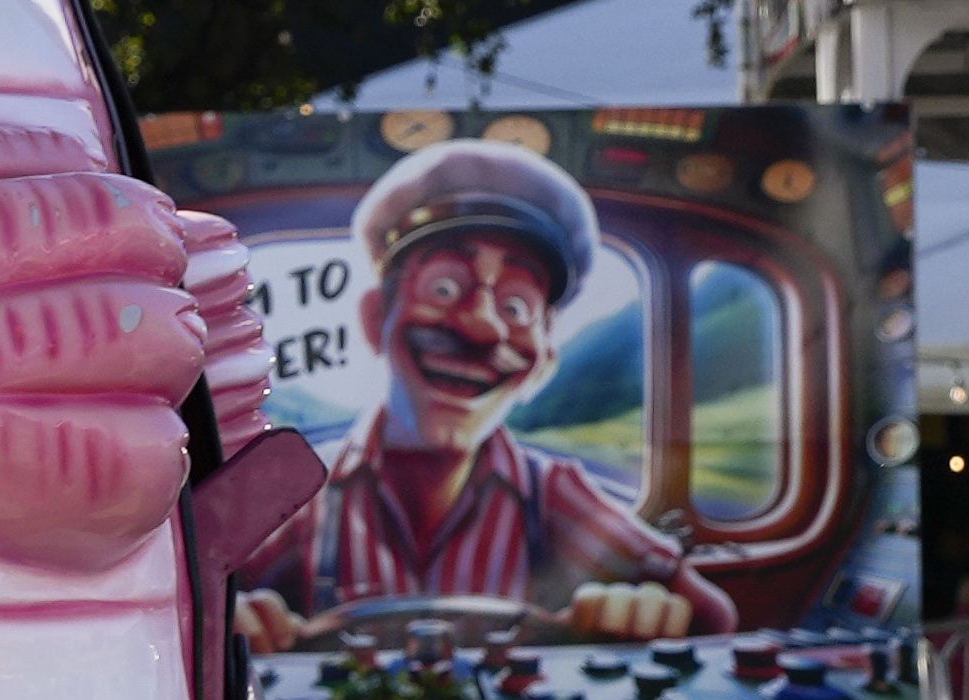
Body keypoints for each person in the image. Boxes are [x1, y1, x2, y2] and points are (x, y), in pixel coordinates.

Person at [238, 136, 718, 647]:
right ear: (375, 318)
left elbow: (711, 615)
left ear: (543, 363)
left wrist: (647, 612)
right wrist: (227, 621)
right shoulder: (301, 489)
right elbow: (187, 596)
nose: (481, 327)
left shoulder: (552, 493)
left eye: (515, 307)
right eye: (444, 287)